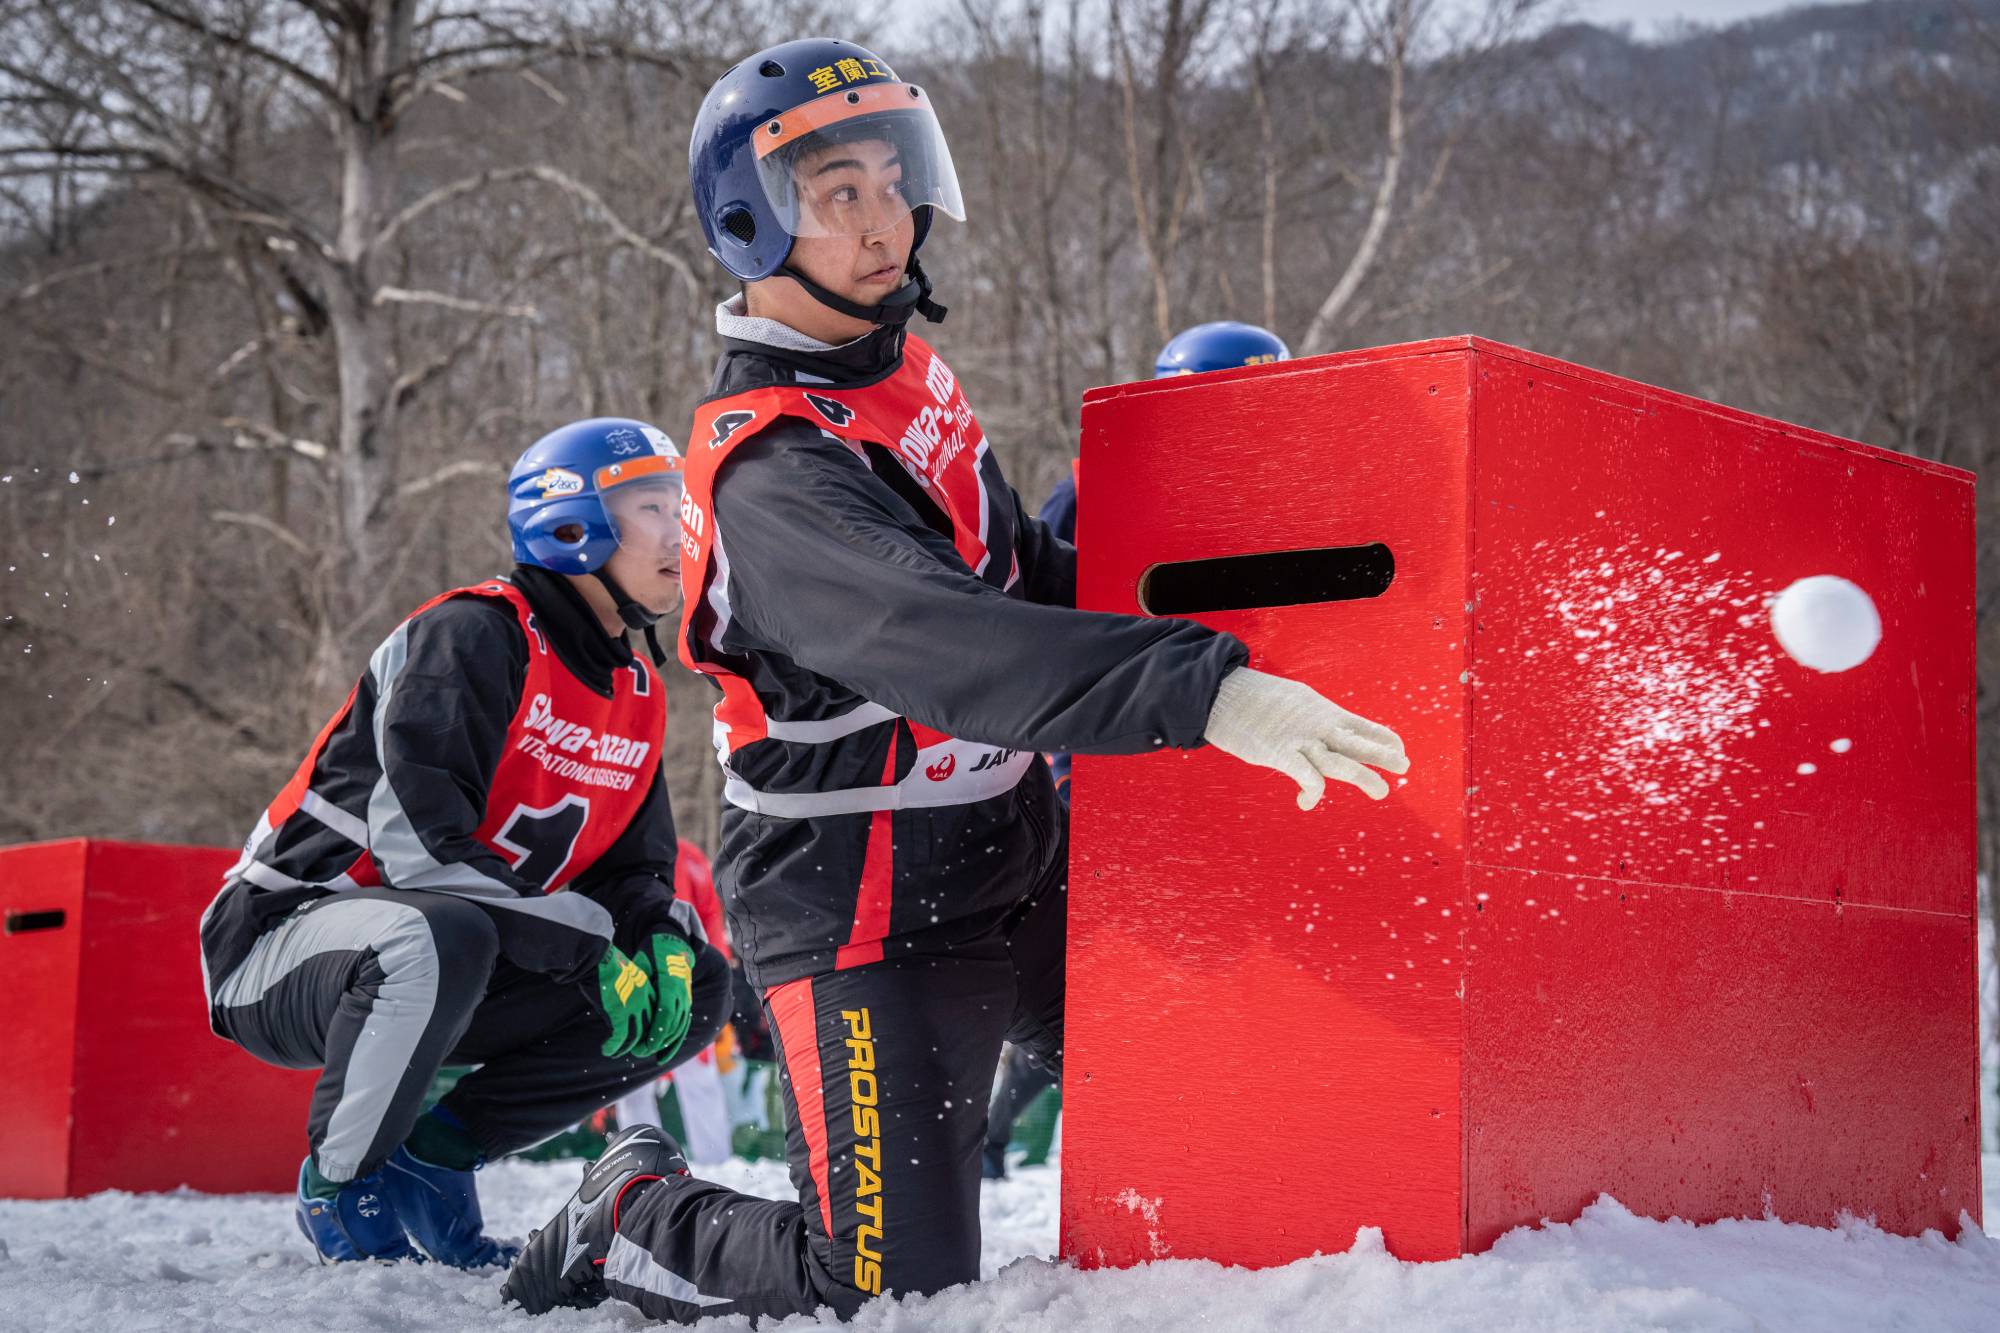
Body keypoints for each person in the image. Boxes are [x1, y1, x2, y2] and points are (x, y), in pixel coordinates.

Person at [502, 40, 1408, 1321]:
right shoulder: (769, 470)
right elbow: (942, 643)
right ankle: (629, 1212)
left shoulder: (900, 371)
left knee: (1206, 1074)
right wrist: (1208, 690)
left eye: (893, 179)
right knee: (879, 1290)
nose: (885, 224)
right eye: (840, 196)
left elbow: (1021, 568)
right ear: (756, 224)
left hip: (1009, 850)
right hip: (864, 907)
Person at [198, 418, 732, 1266]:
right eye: (651, 506)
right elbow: (422, 850)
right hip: (283, 942)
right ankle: (341, 1182)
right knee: (444, 927)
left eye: (682, 507)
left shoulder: (636, 689)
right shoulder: (475, 634)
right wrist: (587, 944)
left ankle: (435, 1158)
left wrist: (656, 933)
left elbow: (637, 868)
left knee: (697, 988)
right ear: (574, 524)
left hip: (462, 961)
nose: (681, 531)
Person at [982, 320, 1295, 1179]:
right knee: (1108, 985)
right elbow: (1045, 624)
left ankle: (1208, 1126)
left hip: (1235, 747)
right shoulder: (1096, 486)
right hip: (1109, 768)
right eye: (1236, 400)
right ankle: (1004, 1130)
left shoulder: (1281, 488)